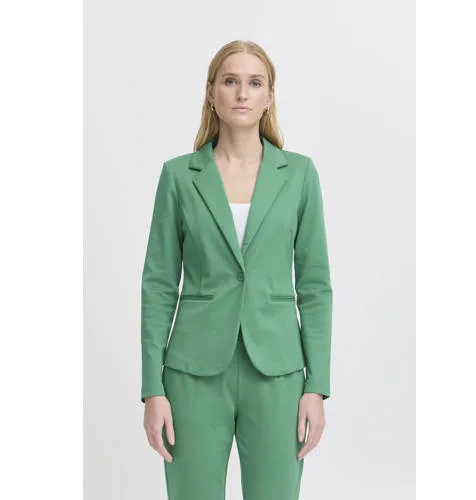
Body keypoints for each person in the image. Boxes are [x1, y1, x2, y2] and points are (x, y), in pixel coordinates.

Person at [141, 39, 333, 500]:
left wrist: (317, 386)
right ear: (211, 92)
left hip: (278, 373)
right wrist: (152, 387)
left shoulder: (300, 175)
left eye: (254, 83)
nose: (242, 93)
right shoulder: (178, 176)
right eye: (230, 81)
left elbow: (314, 286)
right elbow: (159, 284)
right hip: (192, 373)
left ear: (270, 95)